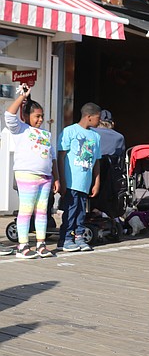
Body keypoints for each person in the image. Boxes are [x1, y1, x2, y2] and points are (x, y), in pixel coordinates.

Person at [4, 85, 60, 258]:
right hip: (26, 174)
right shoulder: (21, 129)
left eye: (42, 116)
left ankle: (41, 245)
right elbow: (9, 114)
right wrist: (23, 97)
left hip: (45, 177)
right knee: (26, 210)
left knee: (42, 211)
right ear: (26, 116)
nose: (40, 119)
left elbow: (52, 158)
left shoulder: (46, 134)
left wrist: (56, 178)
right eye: (37, 116)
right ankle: (22, 246)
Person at [58, 102, 102, 252]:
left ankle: (79, 236)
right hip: (71, 182)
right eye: (98, 118)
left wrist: (96, 181)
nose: (99, 121)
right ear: (89, 117)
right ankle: (66, 238)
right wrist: (61, 180)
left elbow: (96, 161)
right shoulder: (69, 131)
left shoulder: (96, 136)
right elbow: (61, 156)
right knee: (70, 211)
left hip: (85, 182)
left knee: (81, 212)